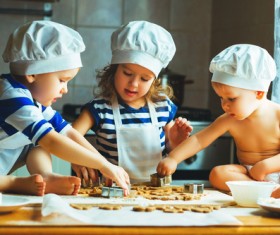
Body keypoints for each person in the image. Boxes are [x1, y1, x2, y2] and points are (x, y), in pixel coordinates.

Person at [0, 20, 130, 196]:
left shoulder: (33, 102)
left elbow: (68, 133)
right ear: (32, 73)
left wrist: (104, 163)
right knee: (44, 137)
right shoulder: (11, 96)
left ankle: (45, 176)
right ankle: (11, 183)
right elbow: (52, 141)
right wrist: (102, 165)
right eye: (62, 80)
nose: (65, 89)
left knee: (40, 137)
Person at [72, 21, 192, 184]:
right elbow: (68, 137)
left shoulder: (162, 108)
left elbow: (169, 152)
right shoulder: (100, 108)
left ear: (154, 81)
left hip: (155, 193)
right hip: (111, 192)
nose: (134, 84)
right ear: (114, 69)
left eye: (144, 78)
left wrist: (175, 143)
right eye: (127, 73)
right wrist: (77, 157)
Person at [157, 44, 280, 198]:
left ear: (259, 93)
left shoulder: (277, 115)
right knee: (218, 174)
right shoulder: (230, 119)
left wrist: (265, 166)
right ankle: (267, 193)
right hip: (247, 175)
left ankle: (264, 192)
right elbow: (199, 140)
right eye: (221, 98)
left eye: (231, 98)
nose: (224, 105)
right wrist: (173, 158)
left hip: (276, 171)